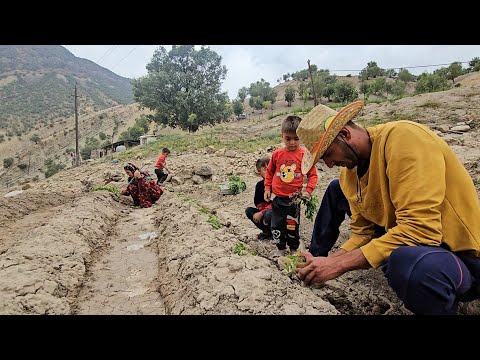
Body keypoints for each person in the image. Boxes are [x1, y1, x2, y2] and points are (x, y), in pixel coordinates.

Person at [295, 100, 480, 315]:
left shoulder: (404, 140)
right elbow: (363, 233)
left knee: (408, 265)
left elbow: (421, 230)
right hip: (425, 249)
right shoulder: (349, 175)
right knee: (398, 259)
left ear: (344, 135)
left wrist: (340, 265)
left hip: (465, 259)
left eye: (327, 155)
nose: (328, 164)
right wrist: (327, 261)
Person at [264, 115, 318, 257]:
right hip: (277, 199)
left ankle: (294, 248)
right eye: (288, 139)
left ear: (302, 137)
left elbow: (312, 175)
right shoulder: (277, 155)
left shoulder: (304, 155)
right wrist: (267, 188)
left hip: (294, 199)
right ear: (282, 136)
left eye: (296, 138)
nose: (292, 142)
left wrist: (308, 191)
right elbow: (269, 172)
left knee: (292, 224)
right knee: (277, 224)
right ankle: (281, 248)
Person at [245, 156, 273, 240]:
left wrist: (263, 213)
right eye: (265, 169)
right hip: (264, 210)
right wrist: (261, 211)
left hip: (275, 211)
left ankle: (276, 233)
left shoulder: (277, 184)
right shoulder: (260, 185)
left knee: (268, 214)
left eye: (270, 168)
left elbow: (277, 202)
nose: (268, 171)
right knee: (249, 211)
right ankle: (266, 231)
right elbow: (258, 202)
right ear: (259, 173)